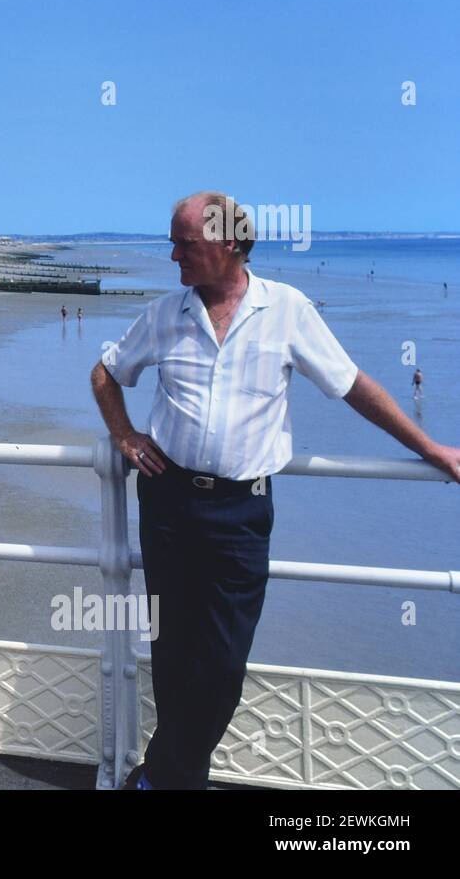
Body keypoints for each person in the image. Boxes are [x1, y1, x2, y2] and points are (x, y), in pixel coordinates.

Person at [91, 191, 460, 790]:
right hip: (168, 502)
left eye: (185, 243)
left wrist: (429, 447)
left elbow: (351, 385)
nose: (172, 255)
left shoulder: (287, 309)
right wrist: (124, 434)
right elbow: (105, 371)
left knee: (223, 666)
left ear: (229, 244)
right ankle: (172, 783)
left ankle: (158, 779)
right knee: (174, 656)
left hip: (240, 511)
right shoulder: (164, 314)